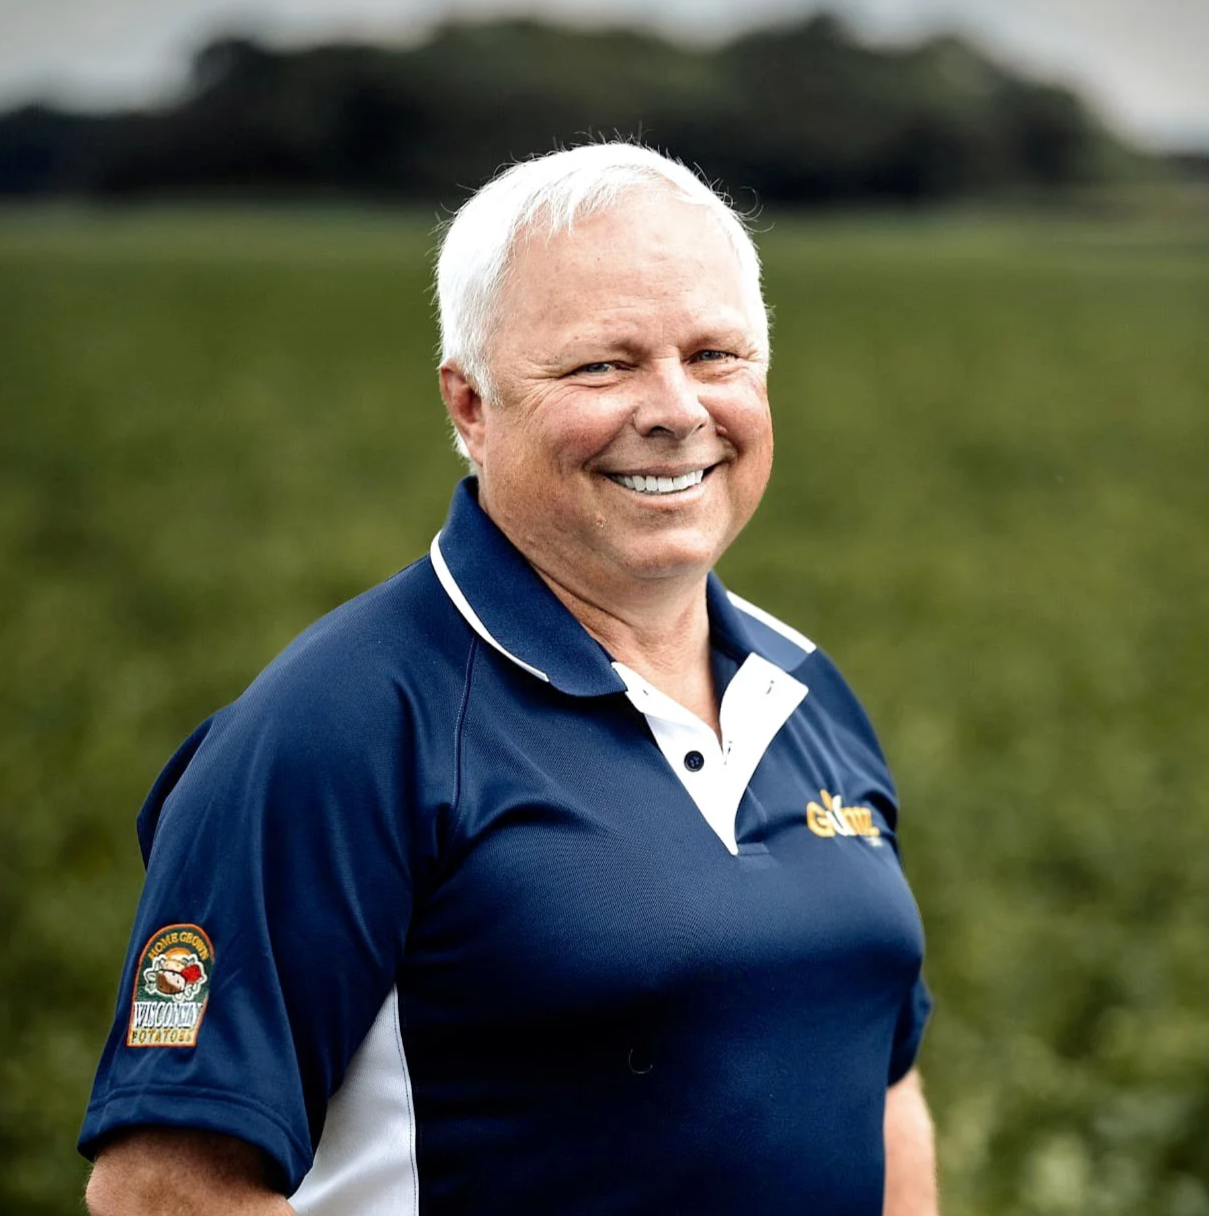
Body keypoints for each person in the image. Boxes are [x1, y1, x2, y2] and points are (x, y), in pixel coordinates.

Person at [80, 142, 937, 1216]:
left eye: (715, 354)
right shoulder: (344, 724)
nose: (675, 408)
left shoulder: (803, 688)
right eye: (602, 365)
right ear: (471, 405)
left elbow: (885, 1084)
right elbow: (165, 1189)